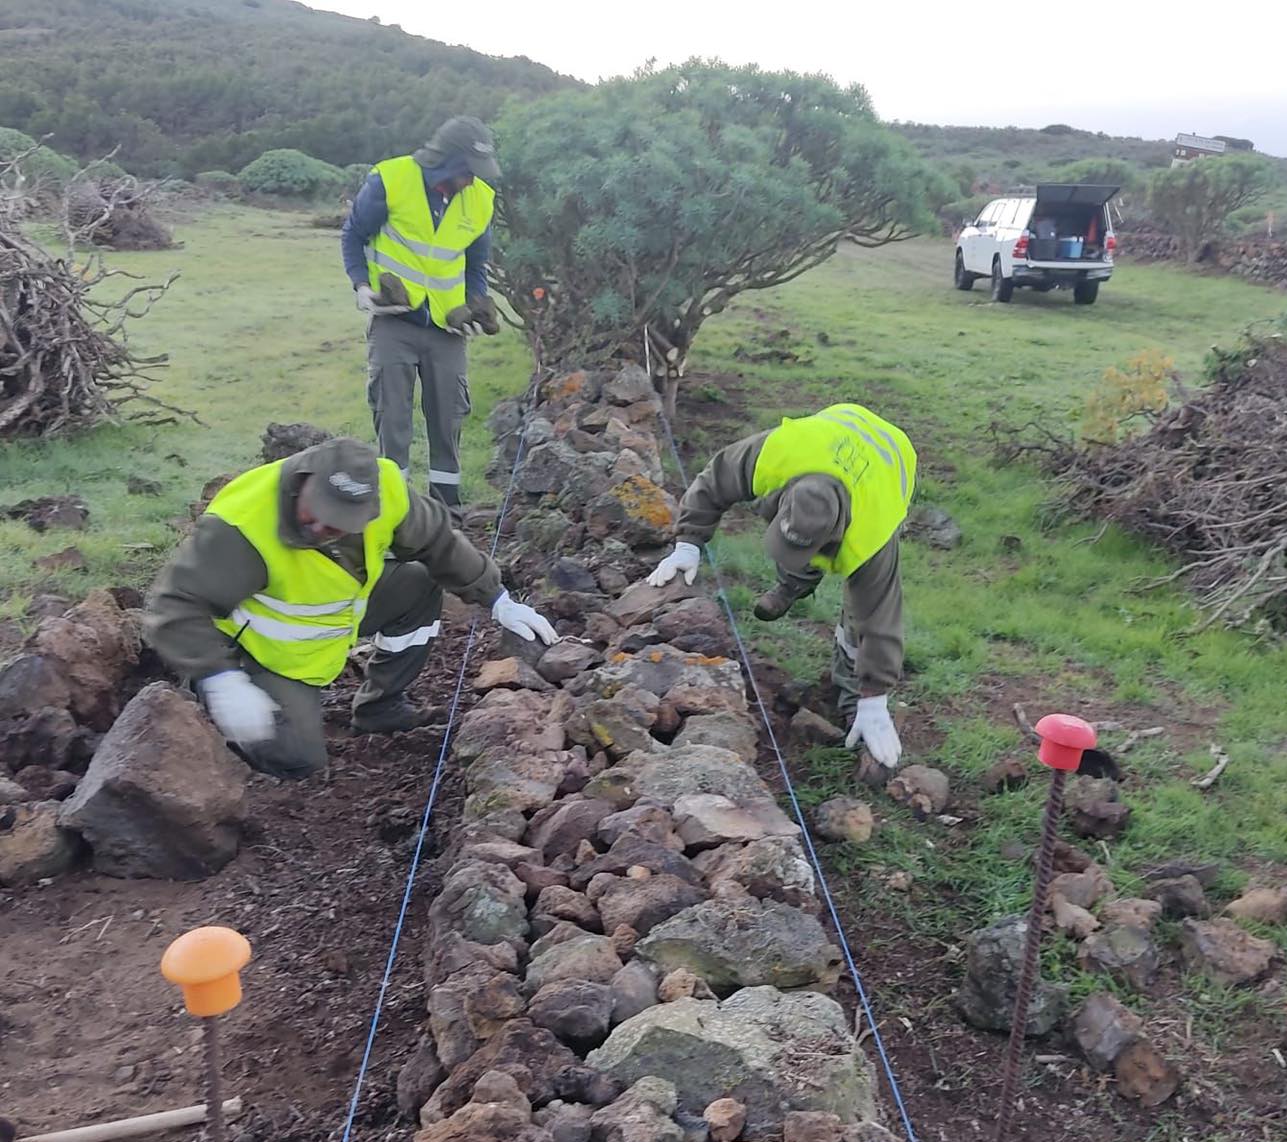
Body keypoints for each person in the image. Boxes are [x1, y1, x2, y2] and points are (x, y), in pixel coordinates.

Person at [145, 437, 558, 779]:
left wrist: (497, 599)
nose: (327, 529)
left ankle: (381, 708)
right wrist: (221, 680)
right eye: (321, 515)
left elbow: (440, 543)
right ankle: (208, 701)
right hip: (260, 654)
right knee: (298, 759)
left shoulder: (388, 490)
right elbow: (173, 603)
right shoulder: (242, 526)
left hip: (336, 617)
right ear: (304, 481)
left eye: (343, 521)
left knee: (417, 584)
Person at [647, 403, 916, 770]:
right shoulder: (776, 454)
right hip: (831, 434)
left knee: (860, 617)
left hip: (890, 461)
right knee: (799, 553)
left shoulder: (872, 531)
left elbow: (880, 618)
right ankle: (793, 587)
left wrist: (874, 697)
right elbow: (715, 478)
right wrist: (688, 542)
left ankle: (851, 696)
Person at [341, 115, 503, 511]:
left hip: (449, 327)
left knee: (448, 418)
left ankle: (446, 509)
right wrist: (362, 287)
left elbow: (475, 264)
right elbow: (354, 235)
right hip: (395, 319)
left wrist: (477, 303)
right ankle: (394, 510)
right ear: (445, 160)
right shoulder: (391, 180)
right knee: (393, 418)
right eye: (468, 170)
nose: (472, 180)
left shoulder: (479, 199)